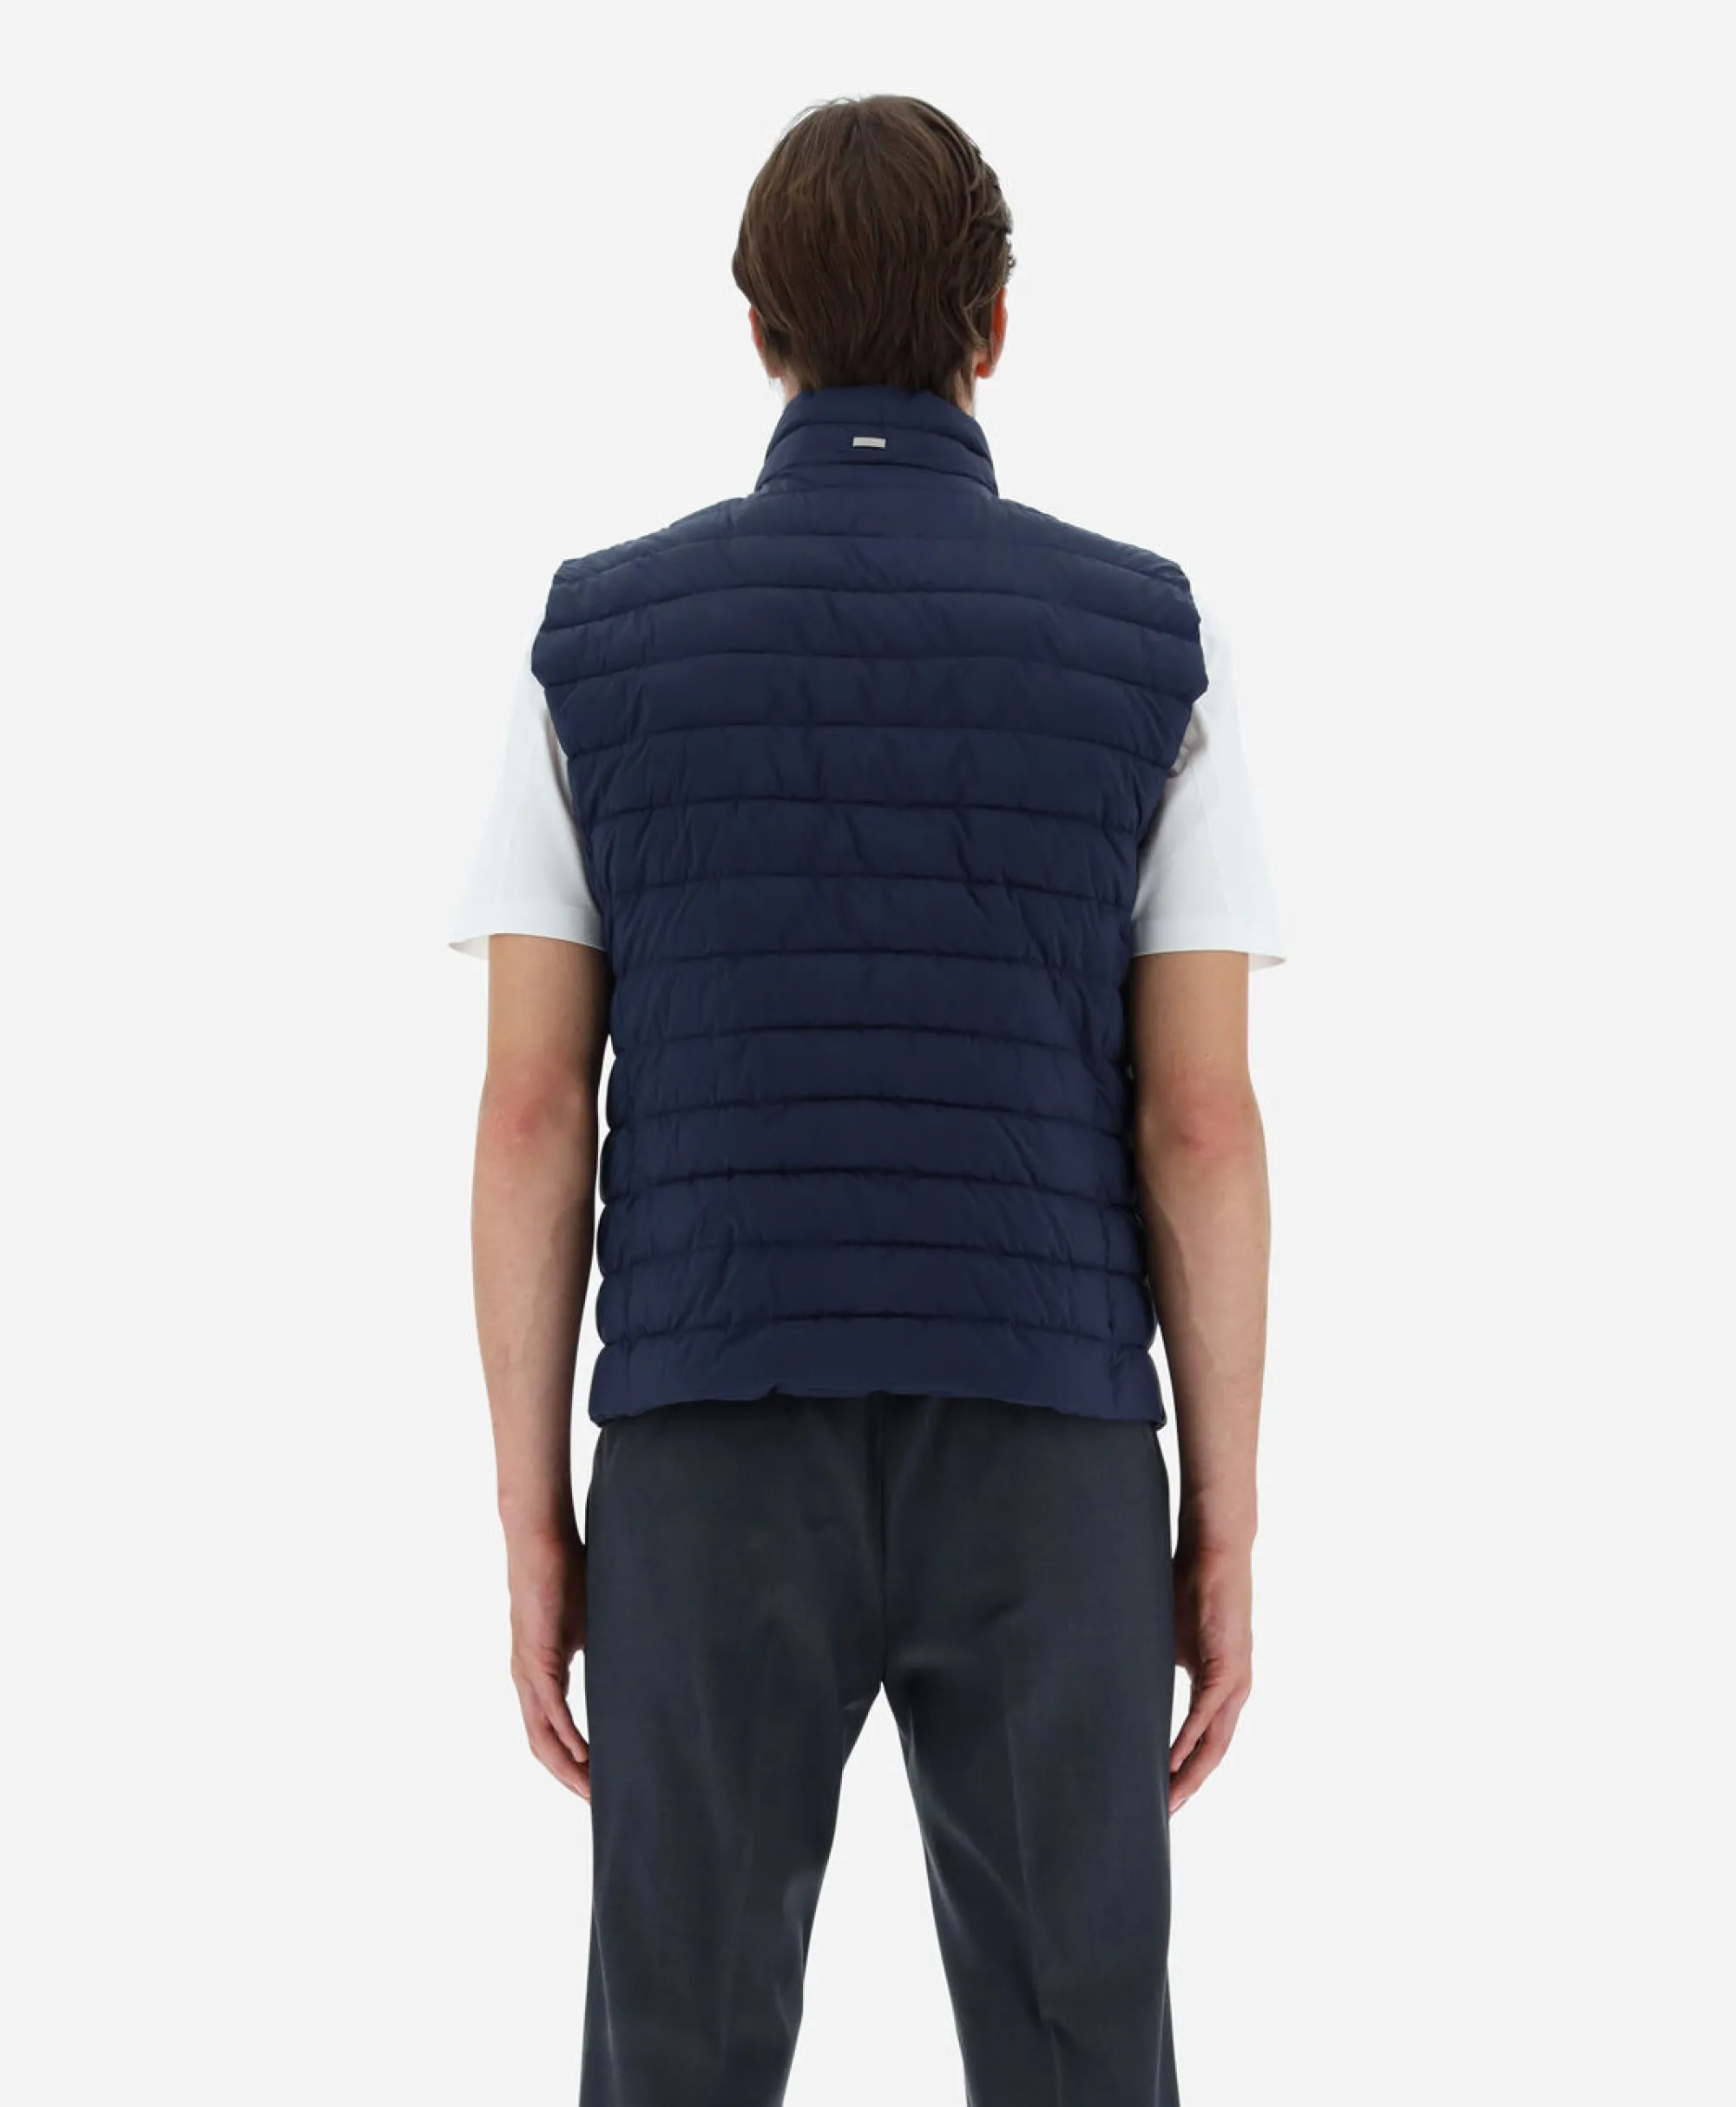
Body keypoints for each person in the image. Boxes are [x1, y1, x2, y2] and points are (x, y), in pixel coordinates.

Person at [451, 92, 1283, 2107]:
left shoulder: (592, 647)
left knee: (676, 2053)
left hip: (706, 1441)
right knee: (1084, 2049)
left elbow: (532, 1110)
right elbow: (1198, 1124)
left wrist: (535, 1518)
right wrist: (1223, 1521)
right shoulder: (1148, 646)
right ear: (994, 326)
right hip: (1049, 1449)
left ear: (759, 330)